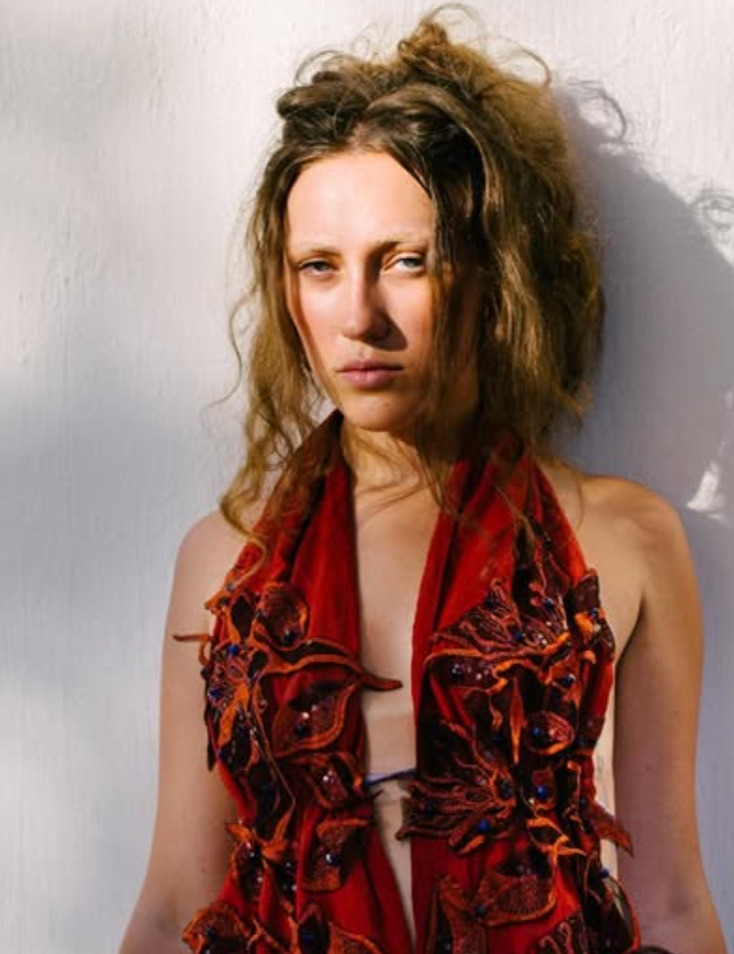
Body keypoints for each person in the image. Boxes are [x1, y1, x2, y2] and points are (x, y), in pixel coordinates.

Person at [118, 10, 725, 954]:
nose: (358, 316)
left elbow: (675, 907)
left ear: (488, 275)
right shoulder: (225, 557)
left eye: (405, 261)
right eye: (320, 267)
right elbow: (172, 906)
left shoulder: (631, 540)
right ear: (289, 292)